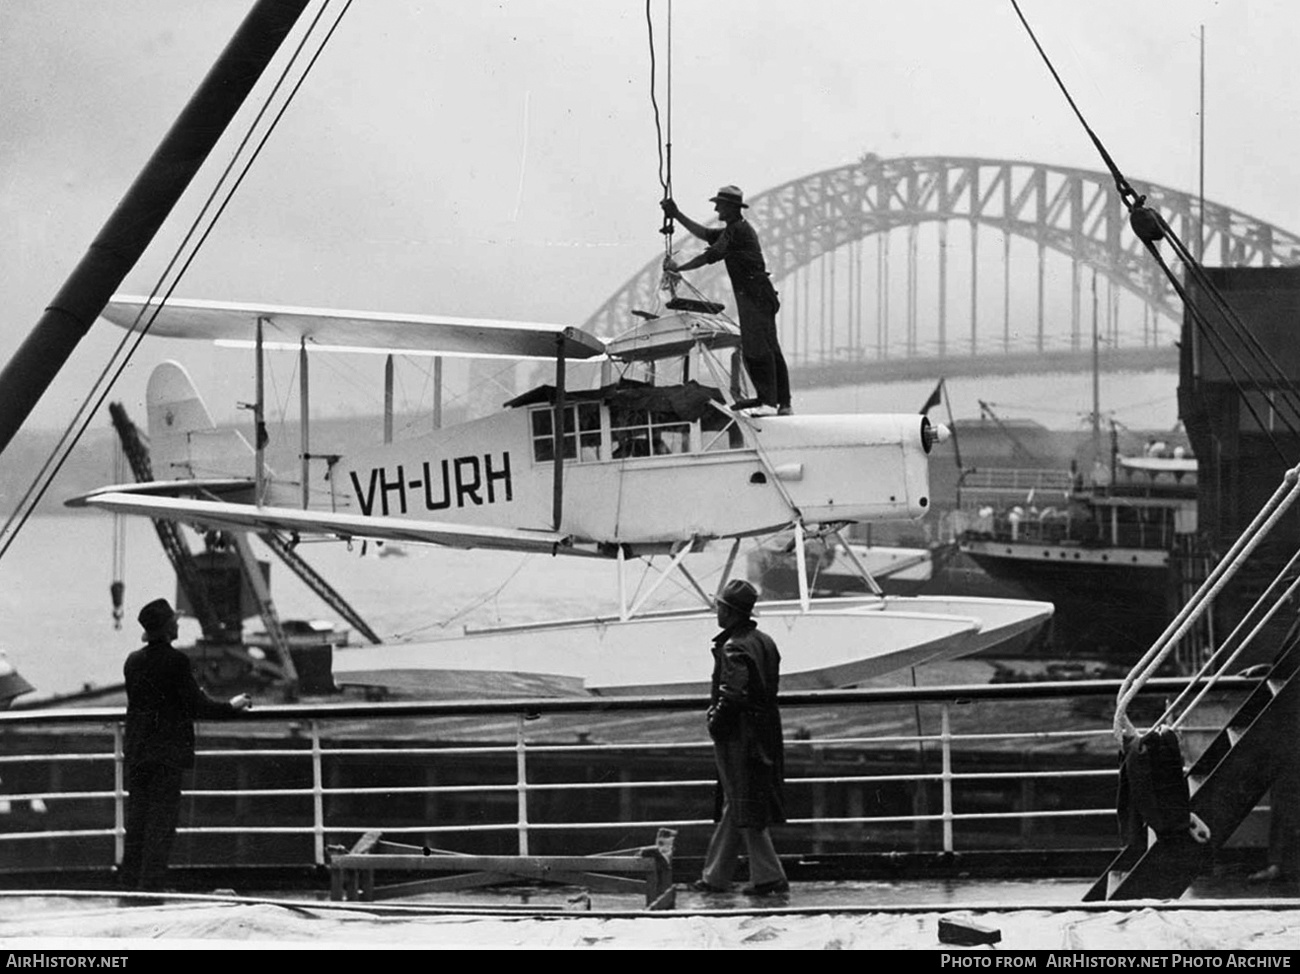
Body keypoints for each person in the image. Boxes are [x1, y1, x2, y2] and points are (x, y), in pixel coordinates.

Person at [120, 598, 251, 893]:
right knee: (161, 823)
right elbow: (197, 705)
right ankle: (152, 885)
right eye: (174, 622)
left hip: (138, 751)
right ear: (168, 630)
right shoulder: (177, 662)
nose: (179, 624)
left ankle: (129, 884)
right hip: (166, 753)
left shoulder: (133, 661)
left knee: (138, 821)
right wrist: (232, 706)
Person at [692, 578, 789, 897]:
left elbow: (732, 695)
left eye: (720, 606)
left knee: (741, 803)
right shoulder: (765, 641)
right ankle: (717, 876)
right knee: (741, 803)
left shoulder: (733, 647)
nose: (716, 611)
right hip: (765, 732)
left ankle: (768, 876)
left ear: (731, 612)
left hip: (739, 738)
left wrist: (714, 722)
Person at [661, 186, 792, 415]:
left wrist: (678, 268)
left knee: (757, 349)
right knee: (769, 348)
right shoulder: (735, 229)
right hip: (759, 295)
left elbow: (710, 255)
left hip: (754, 296)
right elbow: (704, 233)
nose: (715, 208)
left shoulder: (737, 232)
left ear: (730, 207)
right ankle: (783, 403)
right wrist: (677, 214)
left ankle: (768, 403)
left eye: (719, 204)